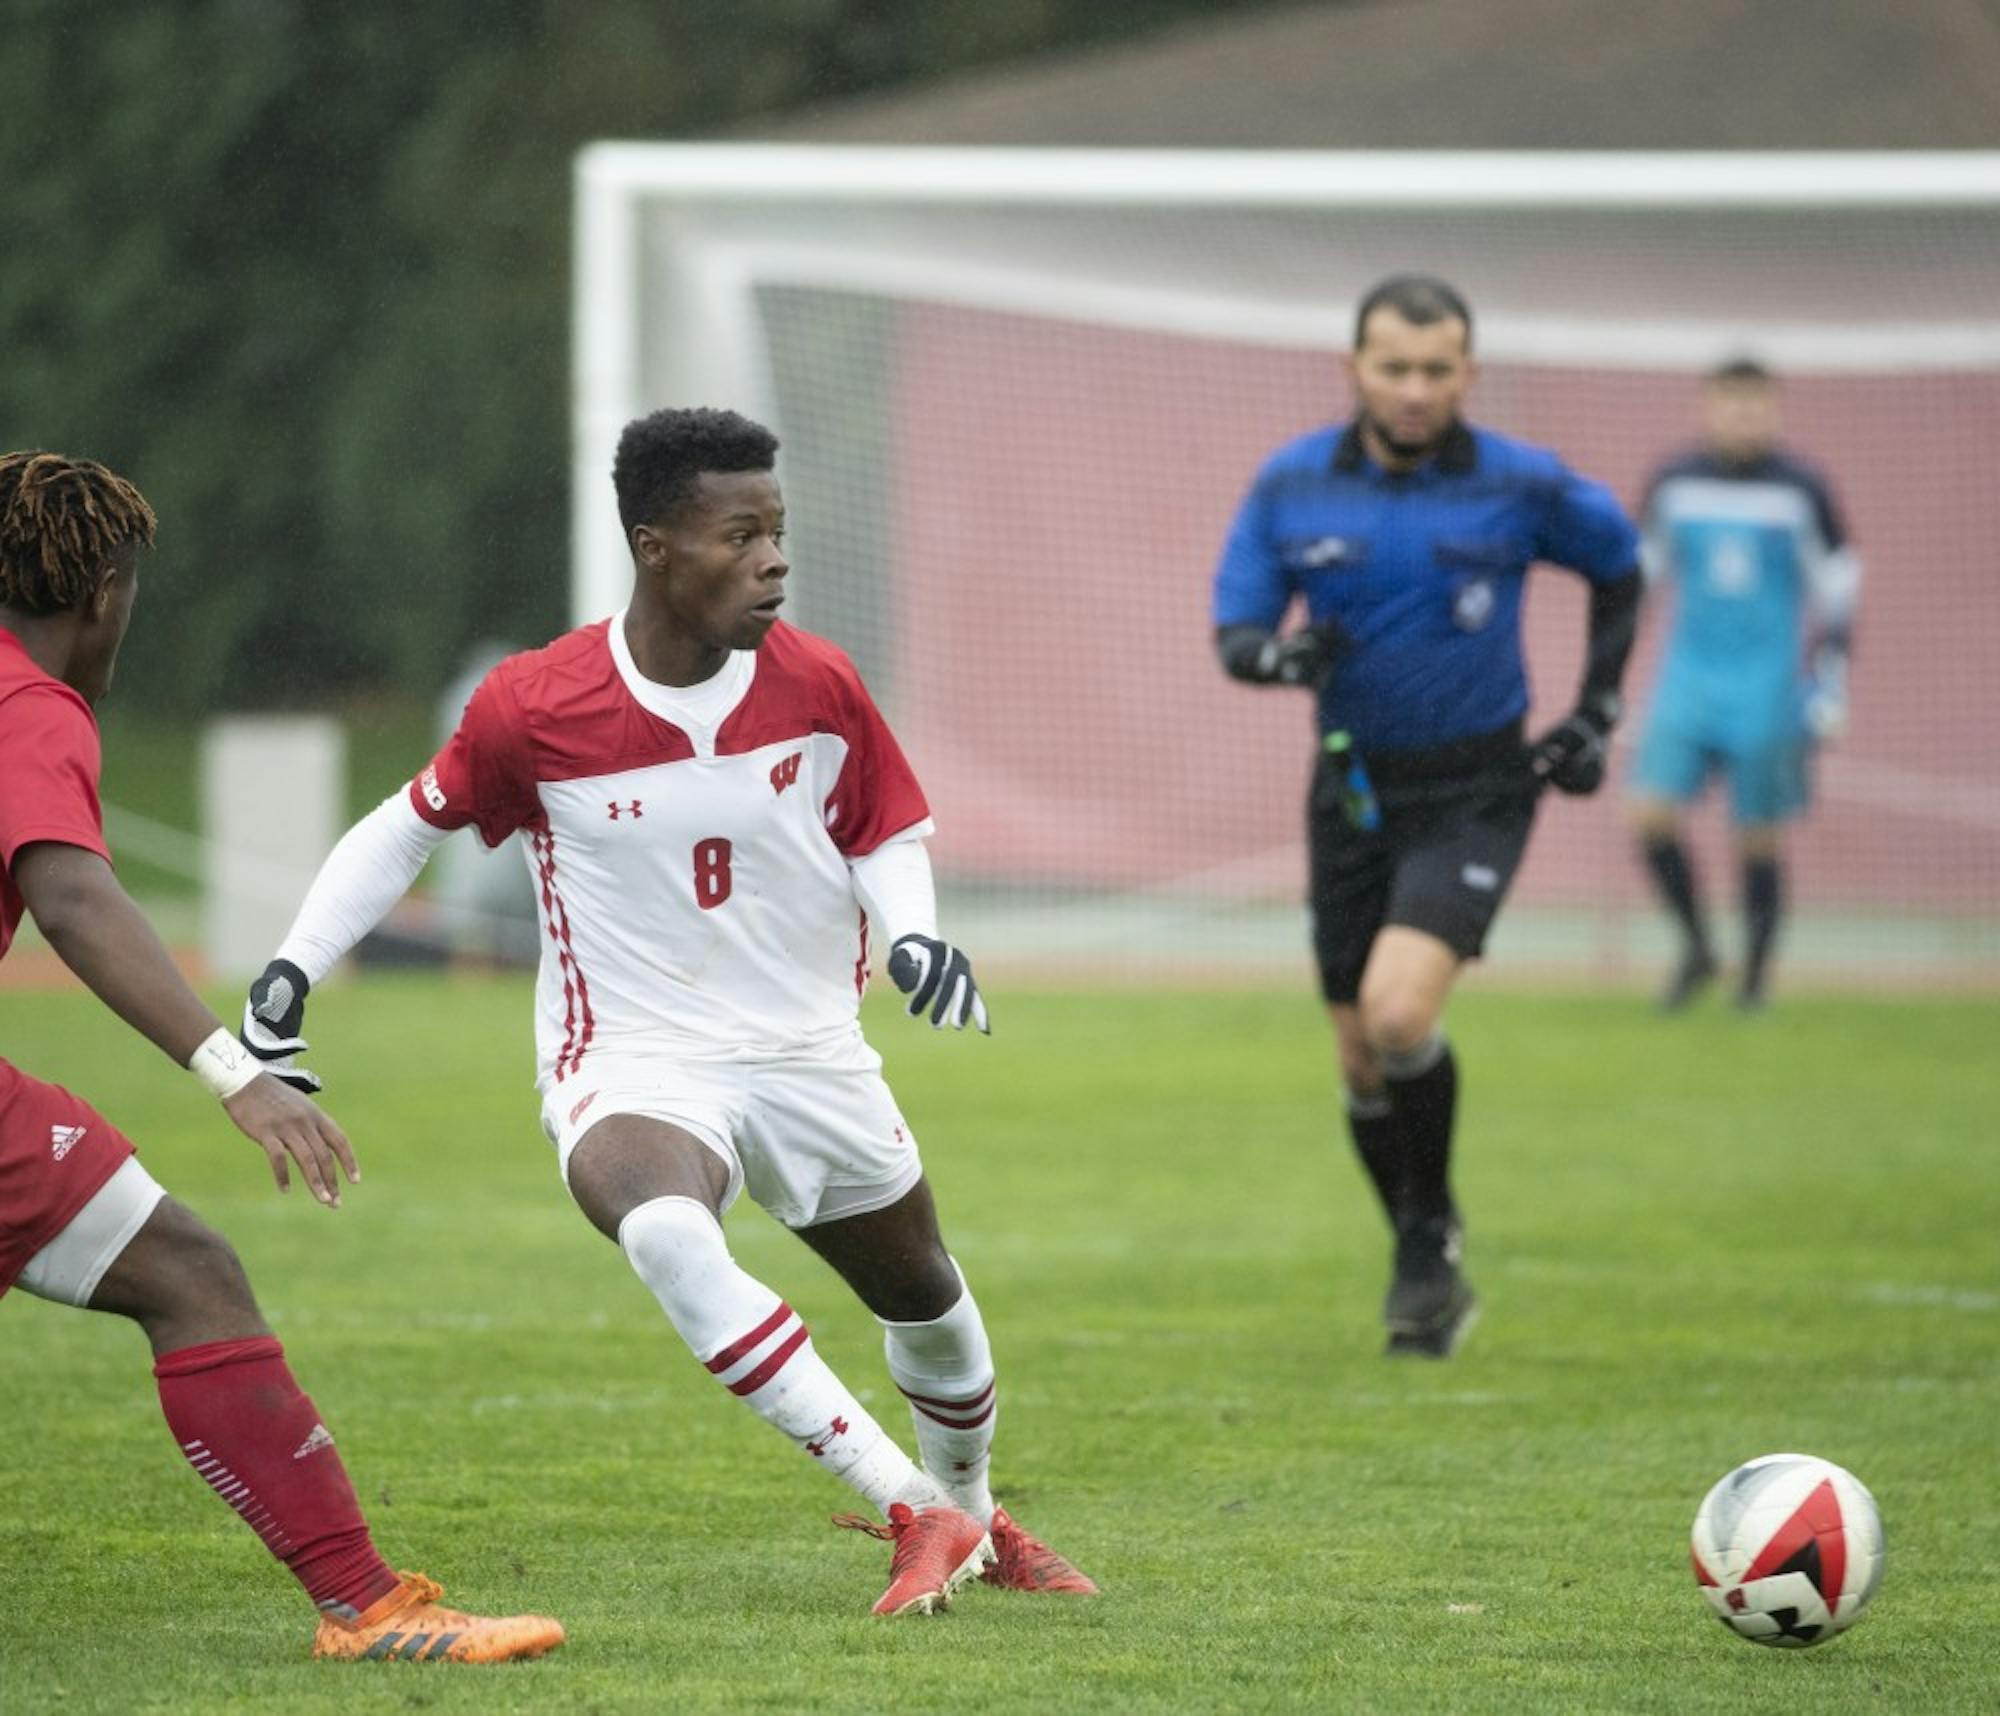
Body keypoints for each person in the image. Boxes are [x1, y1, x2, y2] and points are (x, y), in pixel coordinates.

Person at [238, 407, 1095, 1617]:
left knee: (932, 1309)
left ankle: (978, 1512)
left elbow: (885, 826)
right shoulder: (533, 706)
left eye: (778, 531)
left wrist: (912, 938)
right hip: (631, 1059)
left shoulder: (817, 682)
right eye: (739, 535)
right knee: (664, 1231)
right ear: (654, 547)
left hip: (806, 1049)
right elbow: (405, 826)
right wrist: (295, 967)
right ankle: (913, 1504)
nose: (773, 560)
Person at [0, 450, 563, 1663]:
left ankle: (365, 1602)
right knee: (195, 1277)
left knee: (185, 1266)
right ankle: (366, 1608)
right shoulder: (29, 706)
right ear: (102, 593)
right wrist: (237, 1074)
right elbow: (78, 904)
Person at [1210, 276, 1643, 1359]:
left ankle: (1421, 1246)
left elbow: (1619, 565)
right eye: (1392, 367)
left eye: (1434, 369)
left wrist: (1594, 711)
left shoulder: (1521, 484)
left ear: (1466, 374)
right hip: (1350, 789)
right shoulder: (1291, 483)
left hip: (1476, 788)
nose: (1412, 389)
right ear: (1353, 368)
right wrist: (1277, 658)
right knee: (1359, 1055)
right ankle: (1425, 1236)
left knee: (1397, 1015)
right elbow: (1238, 631)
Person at [1628, 358, 1861, 1011]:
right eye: (1731, 404)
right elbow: (1639, 581)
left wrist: (1830, 682)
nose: (1742, 417)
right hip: (1687, 677)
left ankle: (1755, 979)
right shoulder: (1673, 481)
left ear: (1774, 410)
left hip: (1767, 684)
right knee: (1649, 815)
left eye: (1755, 405)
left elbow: (1839, 589)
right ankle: (1699, 948)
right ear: (1709, 407)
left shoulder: (1803, 489)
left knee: (1756, 834)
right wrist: (1609, 676)